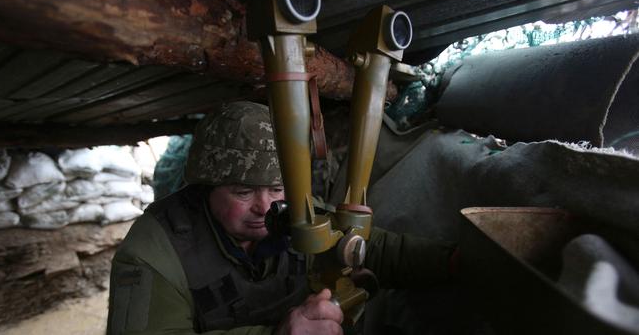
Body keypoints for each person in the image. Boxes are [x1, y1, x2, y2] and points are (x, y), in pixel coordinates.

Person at [107, 101, 455, 335]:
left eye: (277, 189)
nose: (265, 207)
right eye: (243, 193)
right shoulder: (154, 252)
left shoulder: (294, 213)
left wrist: (457, 263)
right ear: (205, 188)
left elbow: (376, 248)